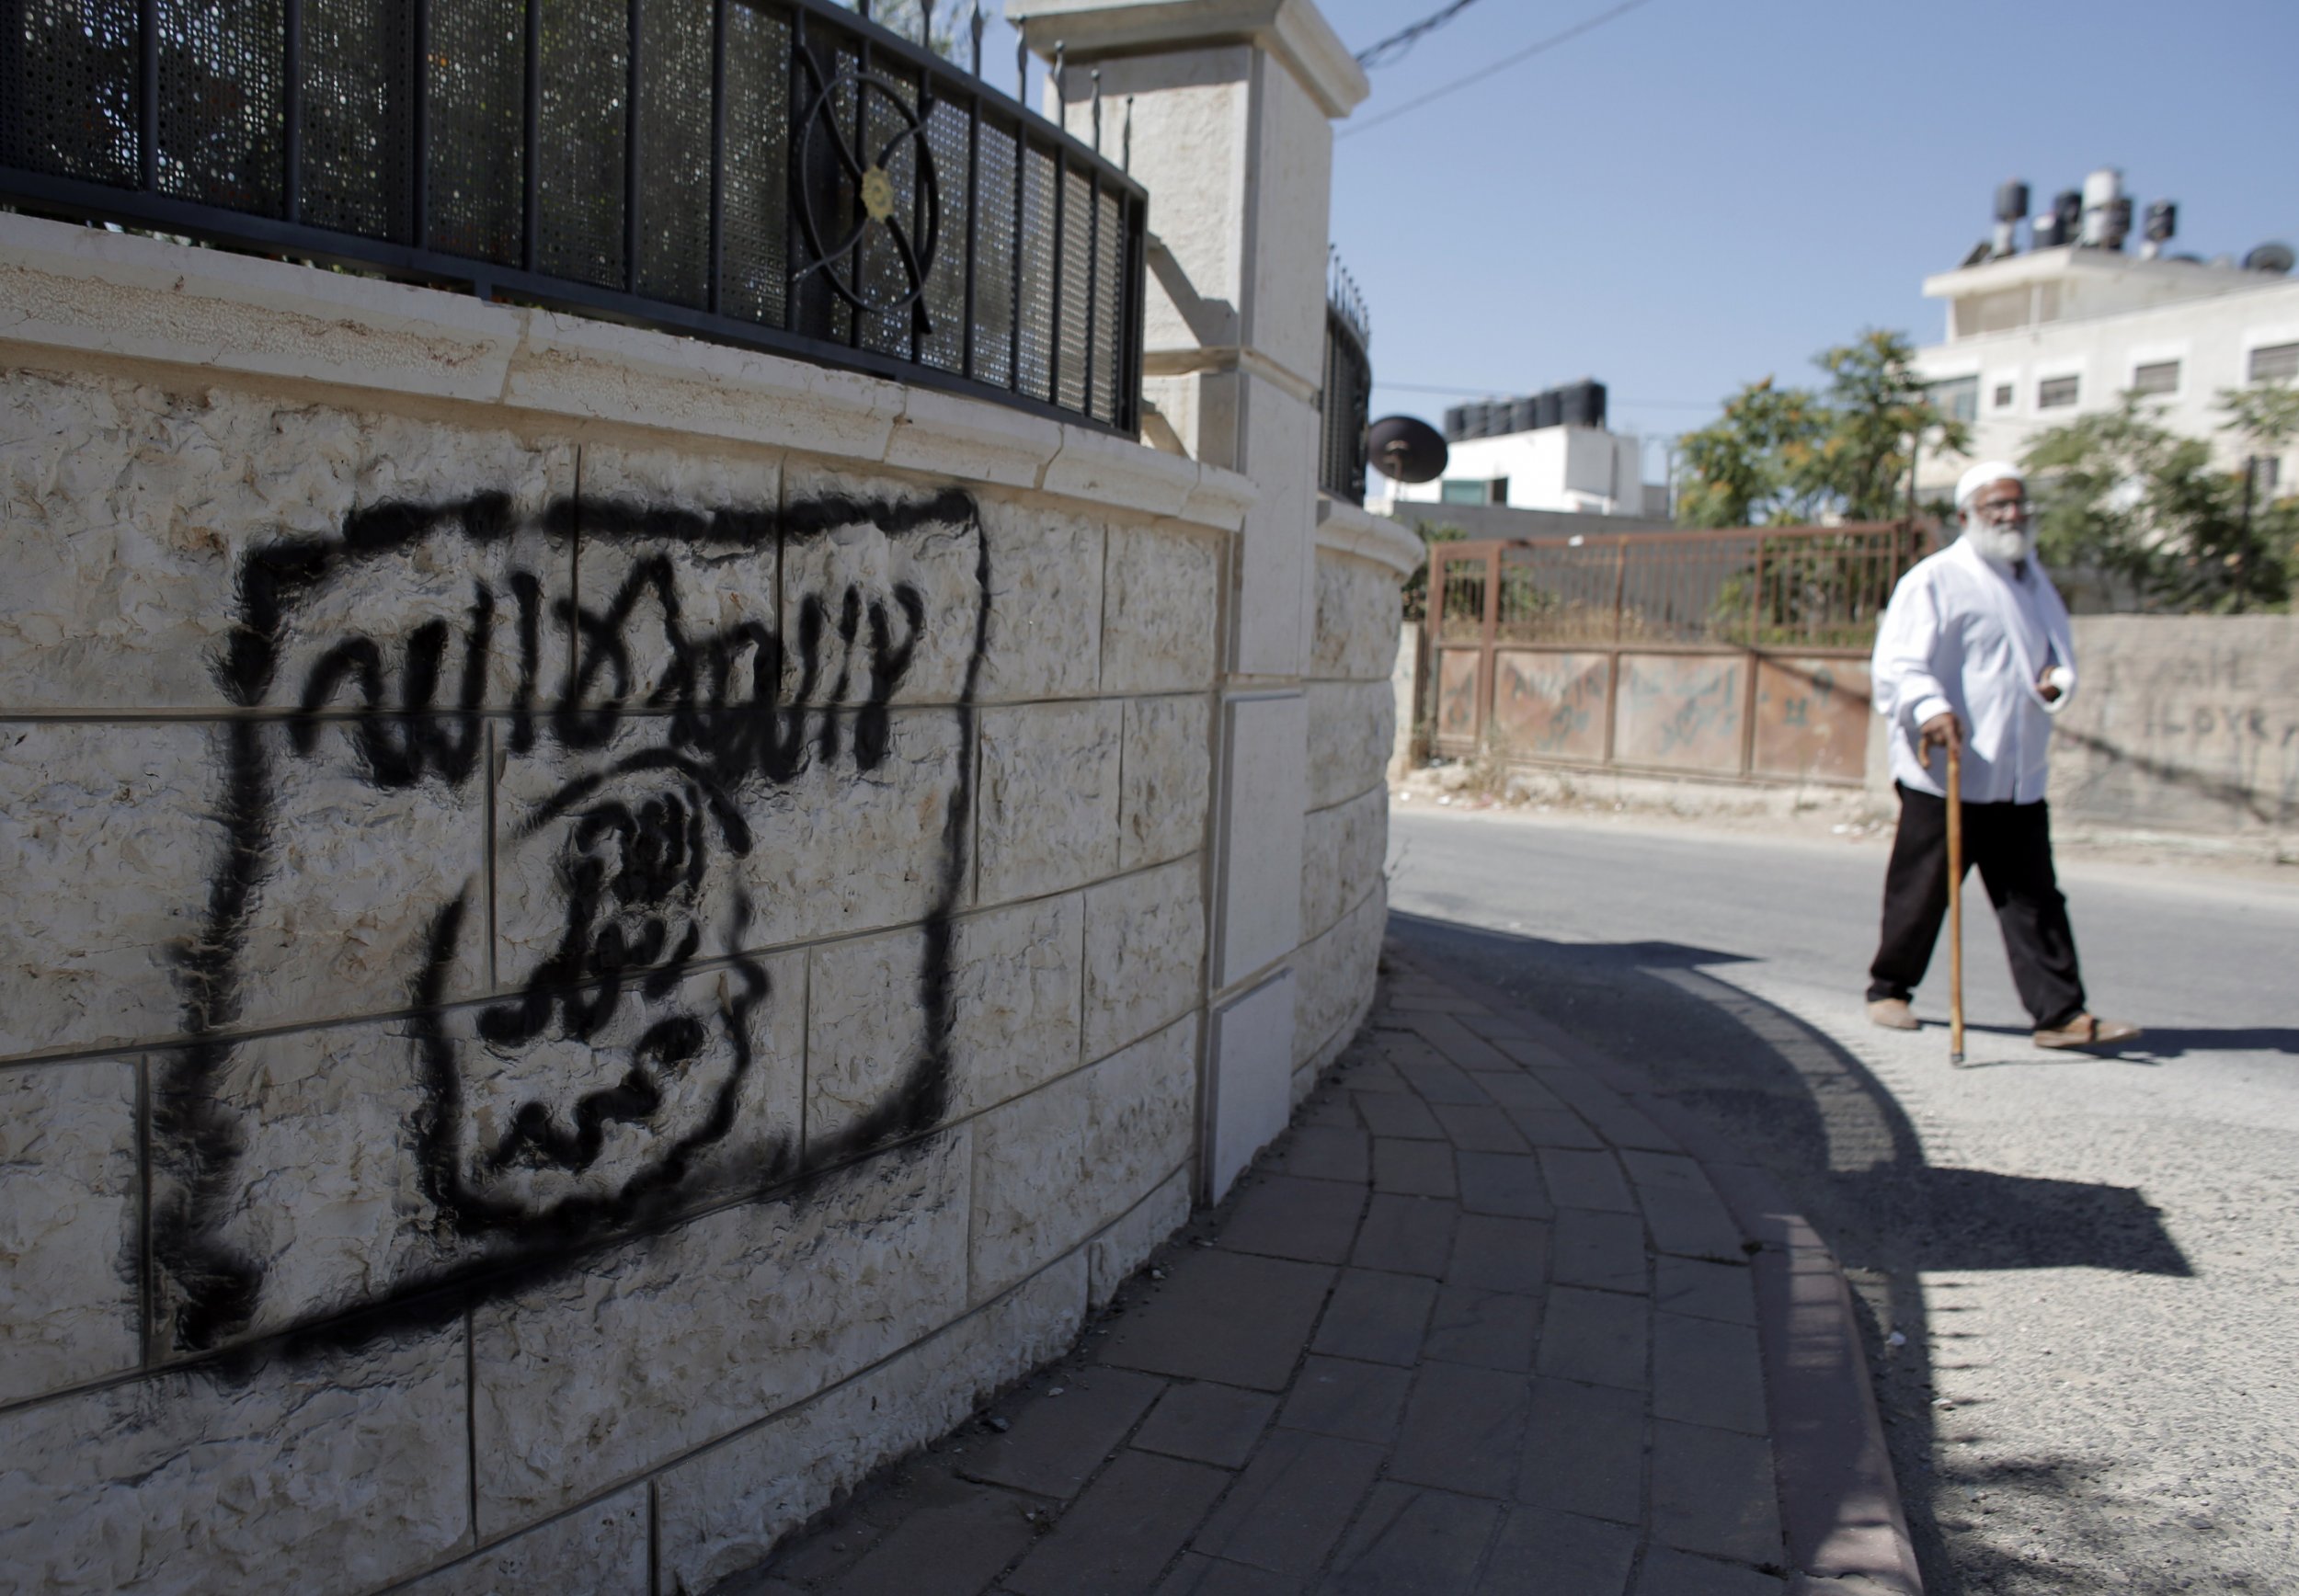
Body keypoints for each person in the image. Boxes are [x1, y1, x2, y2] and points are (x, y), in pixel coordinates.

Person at [1864, 461, 2140, 1052]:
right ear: (1967, 516)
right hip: (1948, 768)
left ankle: (2059, 1014)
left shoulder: (2033, 582)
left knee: (2035, 897)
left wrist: (2053, 684)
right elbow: (1899, 664)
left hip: (2017, 773)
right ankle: (1889, 989)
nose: (2012, 515)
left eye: (2019, 504)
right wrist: (1931, 707)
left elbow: (2056, 659)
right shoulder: (1934, 579)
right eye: (1998, 507)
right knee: (1922, 889)